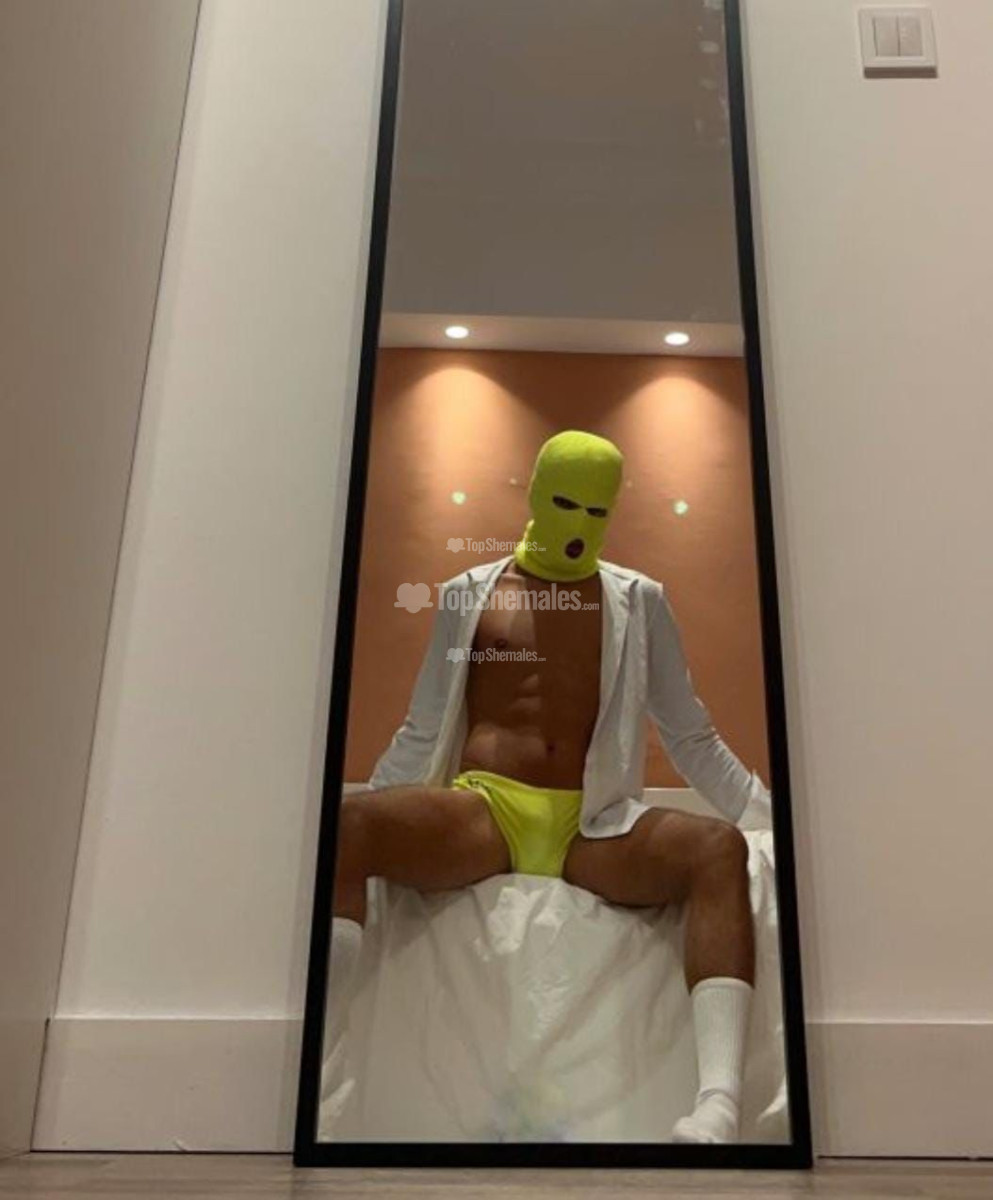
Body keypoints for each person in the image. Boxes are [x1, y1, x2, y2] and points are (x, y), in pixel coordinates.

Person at [327, 430, 770, 1144]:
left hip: (595, 823)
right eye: (565, 503)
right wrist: (381, 804)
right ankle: (319, 1068)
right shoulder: (468, 593)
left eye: (597, 511)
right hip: (487, 811)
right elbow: (422, 725)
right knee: (349, 828)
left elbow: (690, 734)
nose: (580, 524)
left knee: (719, 849)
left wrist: (764, 819)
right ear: (534, 495)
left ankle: (717, 1103)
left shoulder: (639, 601)